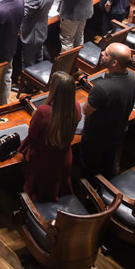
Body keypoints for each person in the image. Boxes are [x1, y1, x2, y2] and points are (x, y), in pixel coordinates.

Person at [19, 71, 81, 201]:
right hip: (64, 159)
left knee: (39, 196)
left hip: (44, 162)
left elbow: (32, 137)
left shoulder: (43, 111)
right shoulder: (76, 107)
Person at [80, 42, 135, 178]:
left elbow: (86, 111)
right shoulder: (133, 78)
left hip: (96, 138)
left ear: (114, 63)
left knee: (89, 170)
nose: (101, 54)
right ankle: (110, 189)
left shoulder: (101, 88)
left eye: (106, 54)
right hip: (118, 132)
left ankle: (90, 195)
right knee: (109, 164)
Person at [20, 0, 55, 68]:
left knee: (28, 63)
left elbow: (24, 14)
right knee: (39, 57)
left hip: (31, 33)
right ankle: (39, 76)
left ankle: (28, 83)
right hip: (41, 30)